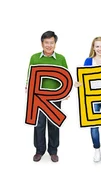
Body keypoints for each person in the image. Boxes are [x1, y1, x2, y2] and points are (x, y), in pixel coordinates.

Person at [27, 30, 69, 163]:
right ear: (42, 43)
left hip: (55, 98)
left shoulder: (61, 58)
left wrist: (66, 92)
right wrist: (28, 86)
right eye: (46, 43)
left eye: (52, 43)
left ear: (55, 44)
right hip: (38, 98)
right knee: (38, 125)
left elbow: (66, 76)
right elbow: (30, 75)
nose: (49, 45)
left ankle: (53, 151)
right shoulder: (34, 58)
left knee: (53, 124)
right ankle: (39, 150)